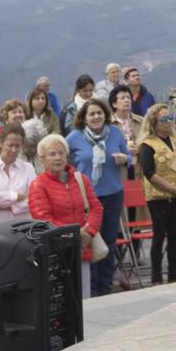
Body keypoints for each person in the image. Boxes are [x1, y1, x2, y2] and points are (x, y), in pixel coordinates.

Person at [65, 102, 127, 296]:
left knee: (108, 241)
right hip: (86, 198)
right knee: (90, 239)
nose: (96, 117)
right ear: (84, 118)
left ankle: (105, 285)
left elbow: (129, 155)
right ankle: (90, 287)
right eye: (91, 114)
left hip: (113, 194)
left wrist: (126, 159)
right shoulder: (74, 137)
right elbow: (65, 162)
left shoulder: (115, 133)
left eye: (99, 112)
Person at [27, 138, 101, 296]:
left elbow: (96, 208)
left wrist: (90, 231)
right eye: (52, 154)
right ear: (42, 159)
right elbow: (43, 219)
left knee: (85, 297)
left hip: (82, 246)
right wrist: (76, 233)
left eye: (61, 153)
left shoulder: (81, 180)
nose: (58, 157)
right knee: (63, 300)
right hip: (56, 251)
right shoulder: (38, 185)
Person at [135, 105, 176, 285]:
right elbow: (150, 174)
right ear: (154, 123)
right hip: (158, 196)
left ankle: (174, 275)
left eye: (170, 117)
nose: (169, 121)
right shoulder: (147, 145)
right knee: (159, 236)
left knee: (174, 235)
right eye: (164, 119)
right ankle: (156, 278)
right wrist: (173, 189)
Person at [107, 85, 142, 154]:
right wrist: (124, 150)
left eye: (128, 98)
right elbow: (107, 147)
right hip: (120, 162)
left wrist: (139, 149)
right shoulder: (108, 124)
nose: (127, 100)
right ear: (114, 104)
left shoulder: (141, 121)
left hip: (140, 161)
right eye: (122, 98)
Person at [22, 87, 60, 153]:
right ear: (30, 101)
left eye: (43, 98)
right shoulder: (25, 116)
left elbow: (56, 133)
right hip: (28, 150)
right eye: (37, 98)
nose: (41, 101)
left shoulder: (52, 116)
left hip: (47, 150)